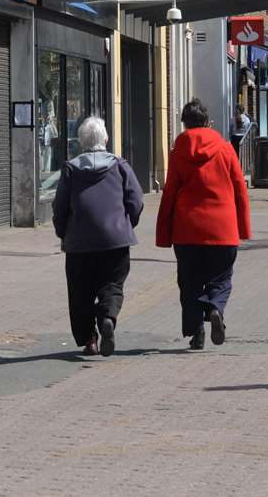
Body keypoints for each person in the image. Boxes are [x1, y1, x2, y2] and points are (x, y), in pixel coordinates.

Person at [157, 98, 251, 350]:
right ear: (208, 122)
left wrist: (163, 233)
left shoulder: (178, 152)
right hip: (222, 229)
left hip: (187, 230)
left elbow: (170, 193)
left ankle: (196, 332)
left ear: (184, 124)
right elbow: (239, 188)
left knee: (189, 281)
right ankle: (215, 307)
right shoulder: (224, 148)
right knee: (221, 278)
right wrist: (243, 227)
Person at [52, 117, 143, 356]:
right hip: (115, 240)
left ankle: (89, 340)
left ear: (81, 142)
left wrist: (62, 231)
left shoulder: (71, 169)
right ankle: (108, 319)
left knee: (80, 292)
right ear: (106, 139)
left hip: (79, 243)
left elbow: (60, 206)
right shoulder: (120, 165)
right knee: (112, 284)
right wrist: (127, 223)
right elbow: (136, 199)